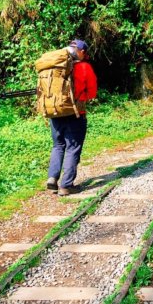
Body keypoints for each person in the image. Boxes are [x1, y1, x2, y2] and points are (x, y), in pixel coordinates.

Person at [46, 39, 97, 196]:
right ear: (80, 51)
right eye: (84, 52)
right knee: (72, 147)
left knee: (58, 145)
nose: (85, 54)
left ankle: (52, 179)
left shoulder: (54, 67)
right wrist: (82, 97)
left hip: (55, 111)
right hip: (75, 114)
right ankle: (66, 185)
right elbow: (92, 92)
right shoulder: (84, 67)